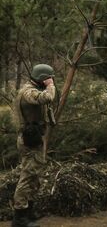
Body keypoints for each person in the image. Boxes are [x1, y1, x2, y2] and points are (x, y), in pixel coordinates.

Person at [12, 64, 56, 227]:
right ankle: (20, 217)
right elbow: (46, 98)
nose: (52, 80)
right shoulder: (28, 91)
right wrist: (50, 86)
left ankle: (29, 211)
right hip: (29, 139)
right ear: (42, 78)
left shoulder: (32, 88)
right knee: (28, 176)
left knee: (34, 175)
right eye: (49, 78)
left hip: (35, 137)